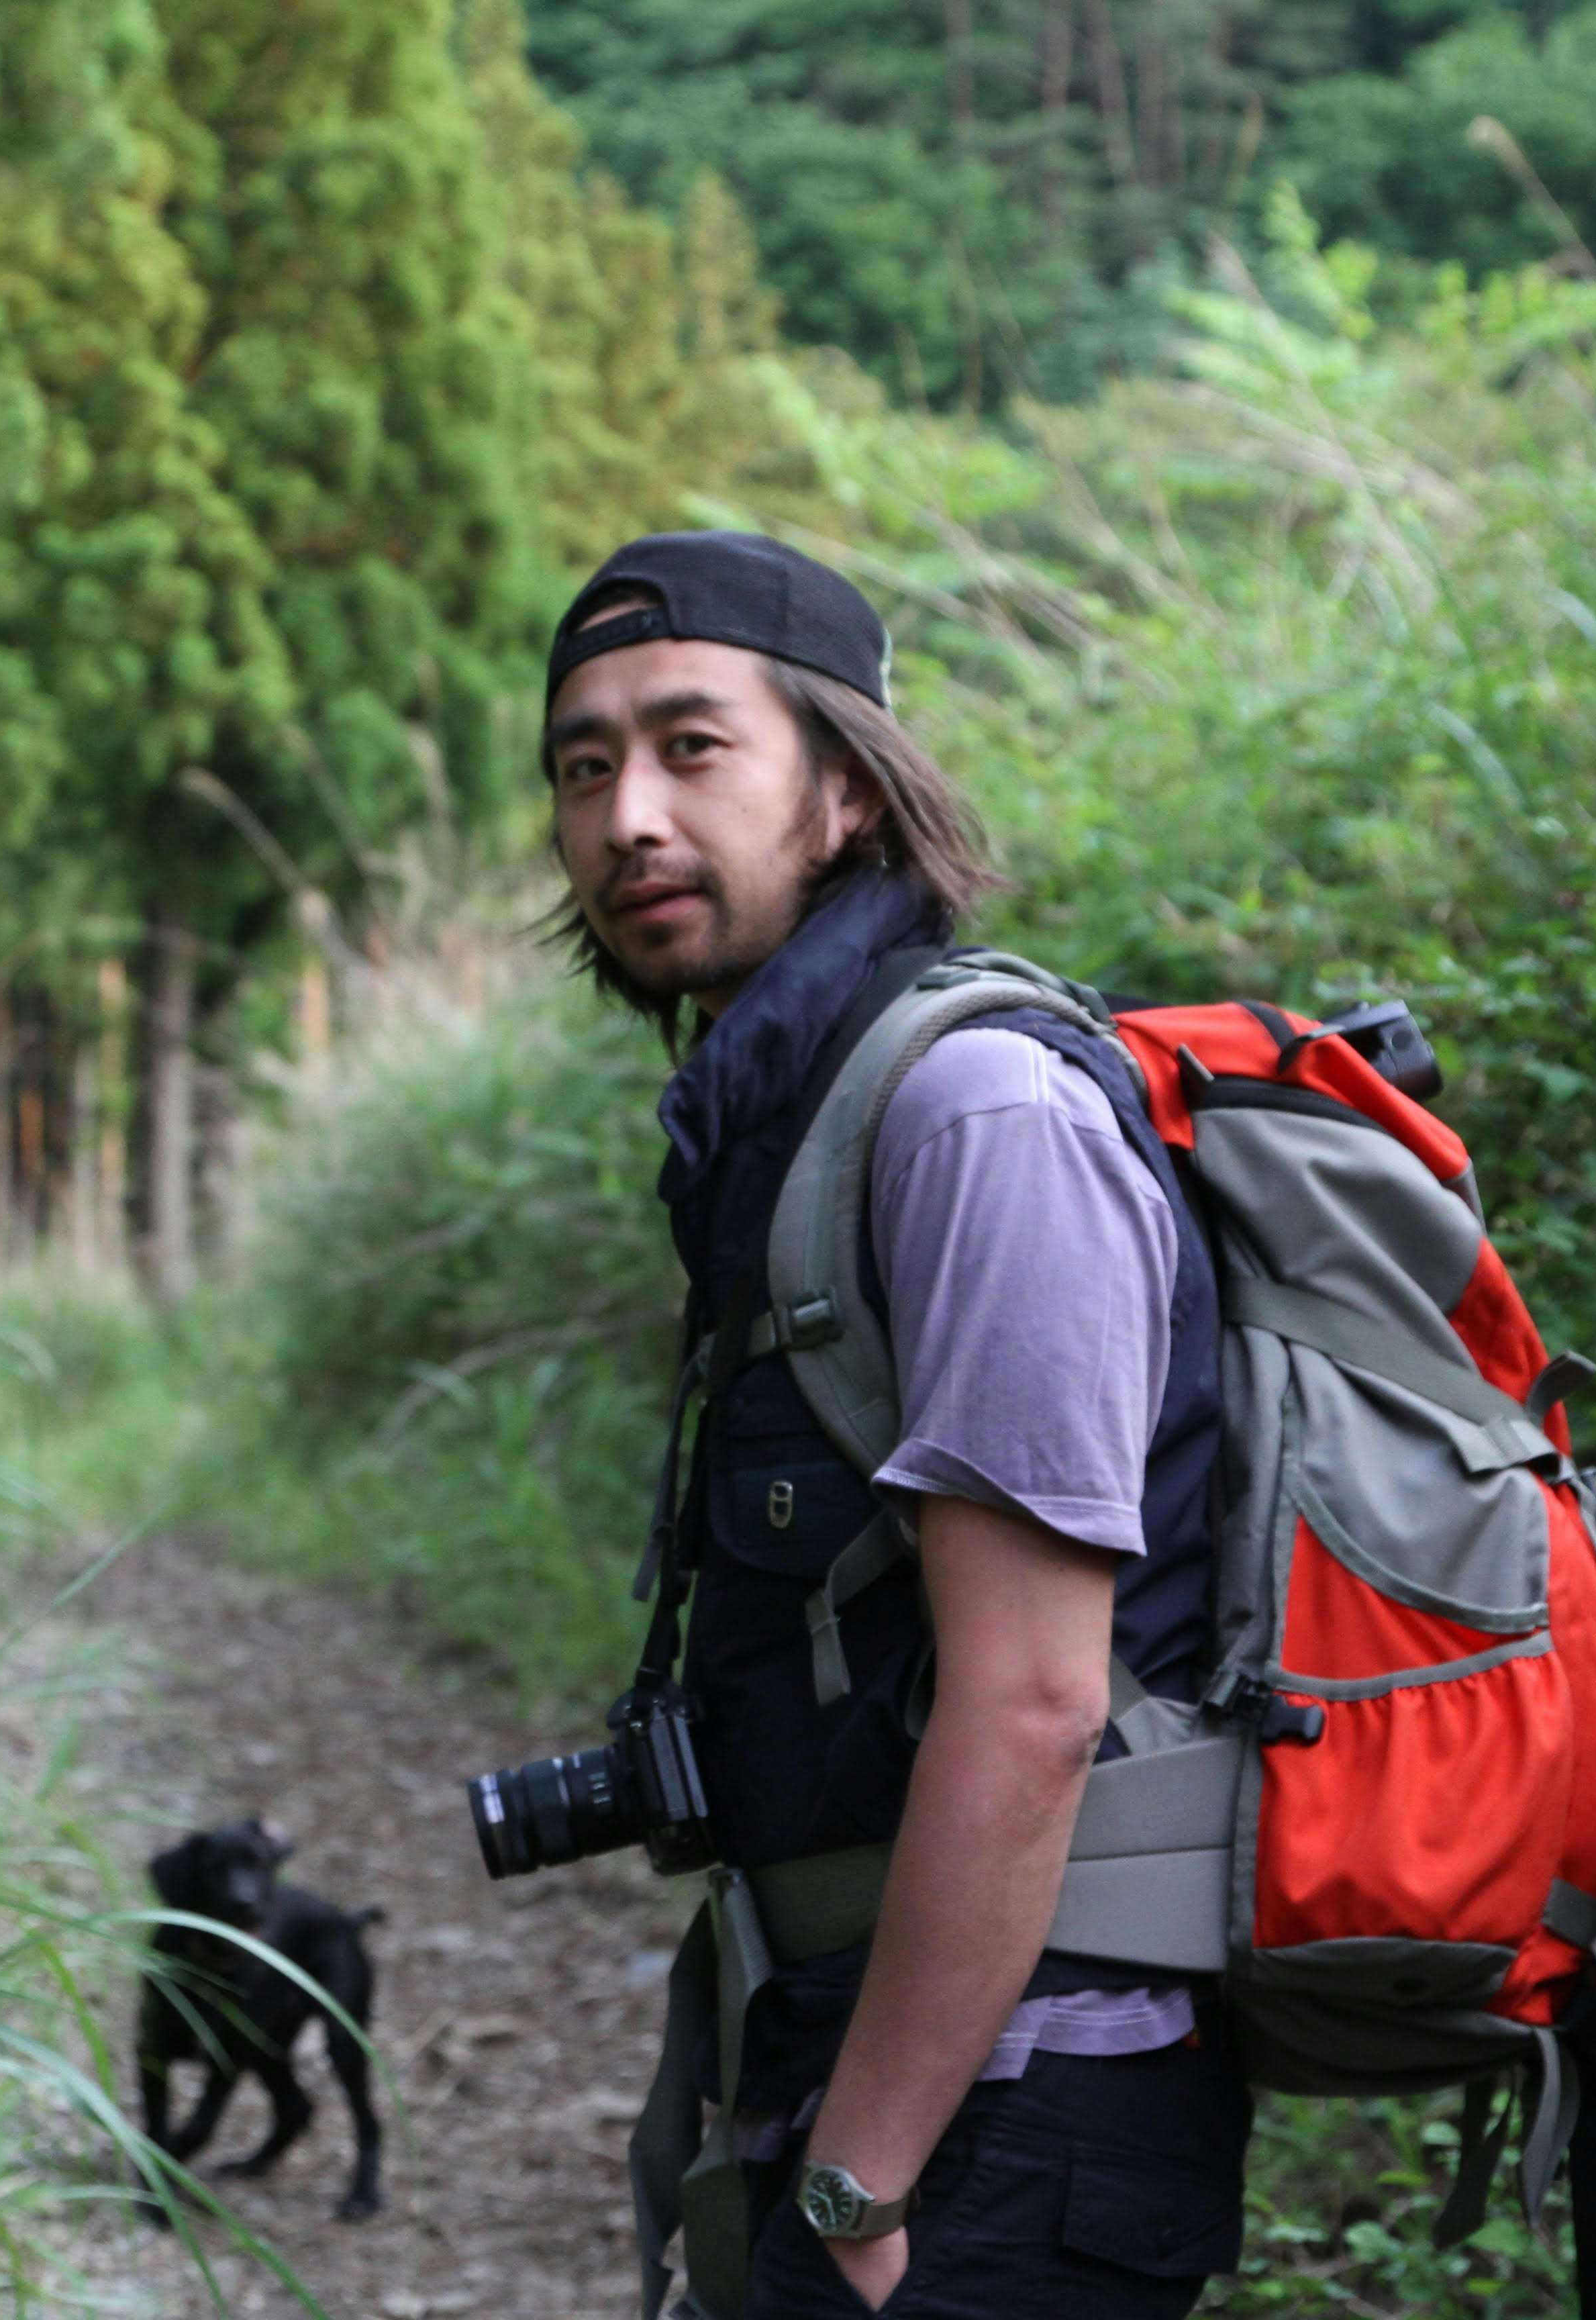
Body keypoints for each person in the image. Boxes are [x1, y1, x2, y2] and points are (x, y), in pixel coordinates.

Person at [543, 532, 1248, 2320]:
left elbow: (1032, 1699)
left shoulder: (974, 1115)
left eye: (693, 748)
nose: (630, 813)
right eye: (584, 763)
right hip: (876, 2061)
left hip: (1017, 2107)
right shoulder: (783, 1125)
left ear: (847, 791)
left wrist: (860, 2190)